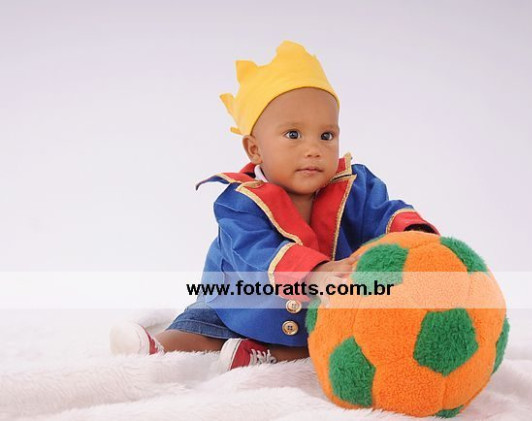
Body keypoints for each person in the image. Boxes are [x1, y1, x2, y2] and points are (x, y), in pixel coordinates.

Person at [110, 40, 439, 371]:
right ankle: (155, 349)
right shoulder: (240, 202)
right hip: (242, 303)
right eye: (293, 135)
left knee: (332, 339)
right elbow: (257, 251)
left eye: (326, 136)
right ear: (255, 149)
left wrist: (416, 236)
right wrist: (314, 272)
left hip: (319, 307)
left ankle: (259, 356)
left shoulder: (354, 184)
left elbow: (383, 213)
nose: (313, 148)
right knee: (201, 326)